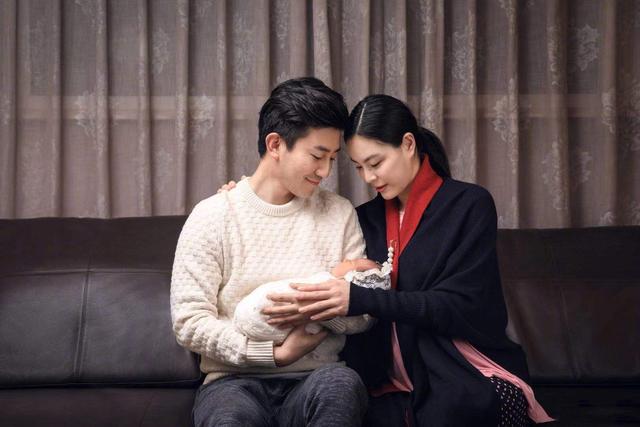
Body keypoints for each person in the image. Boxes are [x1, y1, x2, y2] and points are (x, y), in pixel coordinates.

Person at [269, 94, 554, 426]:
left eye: (376, 163)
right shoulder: (364, 218)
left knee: (464, 407)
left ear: (407, 144)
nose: (368, 178)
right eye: (359, 167)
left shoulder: (469, 204)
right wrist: (243, 197)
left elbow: (461, 305)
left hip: (461, 366)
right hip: (383, 376)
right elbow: (301, 241)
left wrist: (360, 298)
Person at [170, 77, 372, 427]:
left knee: (342, 385)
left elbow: (365, 314)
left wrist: (315, 306)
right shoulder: (213, 215)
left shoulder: (339, 213)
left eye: (332, 158)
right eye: (317, 156)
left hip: (316, 378)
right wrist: (273, 355)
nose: (325, 171)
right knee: (230, 417)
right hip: (233, 382)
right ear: (276, 144)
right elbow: (189, 321)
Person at [233, 257, 388, 362]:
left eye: (352, 263)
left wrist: (324, 313)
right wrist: (277, 355)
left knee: (341, 383)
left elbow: (359, 320)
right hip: (238, 365)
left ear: (350, 279)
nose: (346, 260)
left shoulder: (332, 285)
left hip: (318, 369)